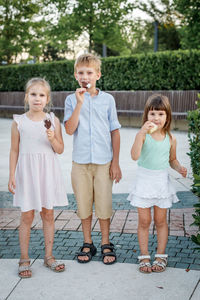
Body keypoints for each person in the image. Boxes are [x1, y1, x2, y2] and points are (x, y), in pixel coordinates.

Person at [64, 53, 122, 265]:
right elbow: (69, 130)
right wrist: (79, 103)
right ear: (75, 75)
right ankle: (88, 242)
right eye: (81, 72)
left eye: (89, 72)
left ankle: (106, 242)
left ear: (97, 74)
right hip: (80, 163)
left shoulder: (108, 100)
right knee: (84, 205)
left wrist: (115, 162)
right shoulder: (71, 100)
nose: (85, 76)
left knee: (104, 205)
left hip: (104, 162)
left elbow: (115, 131)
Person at [8, 77, 68, 278]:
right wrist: (11, 175)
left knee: (48, 214)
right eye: (33, 94)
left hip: (47, 172)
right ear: (26, 97)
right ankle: (23, 258)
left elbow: (60, 149)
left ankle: (49, 256)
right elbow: (14, 151)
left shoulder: (52, 120)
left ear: (47, 98)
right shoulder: (19, 122)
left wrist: (52, 138)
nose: (37, 98)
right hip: (27, 172)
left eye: (41, 95)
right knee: (26, 215)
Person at [127, 94, 187, 273]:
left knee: (161, 221)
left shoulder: (171, 138)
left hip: (161, 183)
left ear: (167, 117)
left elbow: (172, 159)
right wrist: (141, 133)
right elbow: (134, 155)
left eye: (161, 114)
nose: (156, 118)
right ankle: (144, 256)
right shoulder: (144, 136)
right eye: (153, 114)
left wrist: (179, 168)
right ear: (146, 115)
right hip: (144, 182)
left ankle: (161, 256)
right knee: (144, 221)